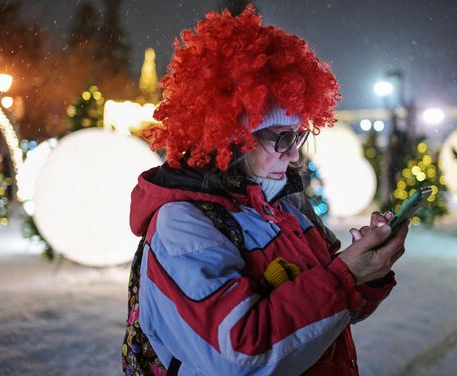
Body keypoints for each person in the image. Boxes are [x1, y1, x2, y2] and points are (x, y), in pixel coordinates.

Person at [122, 6, 408, 376]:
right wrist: (347, 275)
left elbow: (335, 314)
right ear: (232, 137)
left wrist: (369, 267)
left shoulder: (288, 205)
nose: (293, 154)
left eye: (299, 134)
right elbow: (241, 355)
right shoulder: (181, 225)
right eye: (282, 138)